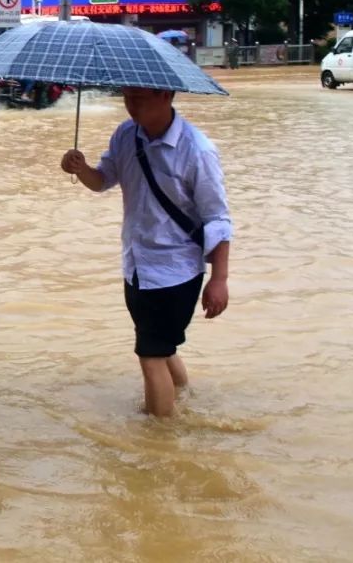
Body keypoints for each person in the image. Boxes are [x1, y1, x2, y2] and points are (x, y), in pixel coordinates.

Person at [60, 86, 232, 417]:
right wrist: (80, 169)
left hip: (176, 269)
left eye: (139, 99)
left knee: (150, 354)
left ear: (166, 96)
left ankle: (160, 441)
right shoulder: (127, 135)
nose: (131, 107)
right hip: (136, 264)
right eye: (127, 98)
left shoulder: (197, 150)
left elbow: (218, 219)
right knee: (162, 347)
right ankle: (182, 399)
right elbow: (102, 181)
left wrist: (219, 279)